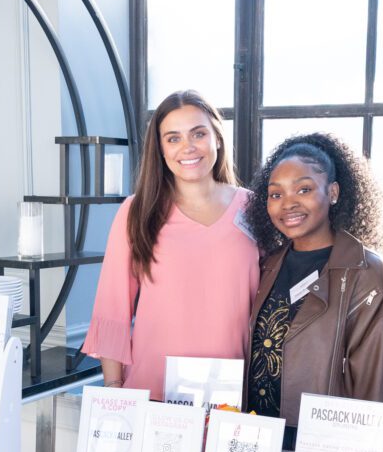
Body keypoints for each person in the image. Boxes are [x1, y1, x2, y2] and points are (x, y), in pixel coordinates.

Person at [245, 133, 383, 452]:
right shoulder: (268, 265)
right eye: (276, 194)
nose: (288, 203)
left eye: (303, 189)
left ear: (333, 193)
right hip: (260, 447)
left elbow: (381, 393)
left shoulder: (369, 275)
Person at [82, 89, 260, 399]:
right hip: (153, 388)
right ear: (161, 149)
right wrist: (114, 391)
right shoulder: (137, 211)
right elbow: (112, 309)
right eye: (173, 138)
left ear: (217, 138)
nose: (188, 147)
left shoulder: (253, 209)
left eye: (198, 133)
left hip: (234, 392)